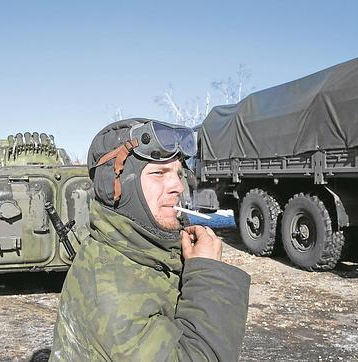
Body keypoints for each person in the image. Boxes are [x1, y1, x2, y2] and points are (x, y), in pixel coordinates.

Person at [51, 118, 250, 361]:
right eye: (159, 173)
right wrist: (207, 275)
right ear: (116, 188)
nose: (178, 185)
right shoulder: (114, 294)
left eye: (178, 173)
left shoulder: (133, 250)